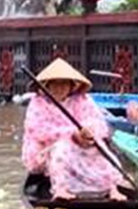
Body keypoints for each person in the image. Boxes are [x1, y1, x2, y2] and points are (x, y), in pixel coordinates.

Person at [23, 59, 131, 200]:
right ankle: (61, 189)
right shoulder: (37, 103)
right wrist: (72, 134)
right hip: (46, 149)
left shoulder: (82, 100)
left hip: (80, 145)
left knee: (101, 149)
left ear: (71, 86)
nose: (58, 87)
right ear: (47, 85)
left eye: (63, 83)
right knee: (61, 148)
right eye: (54, 83)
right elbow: (39, 130)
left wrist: (87, 134)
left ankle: (111, 188)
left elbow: (98, 123)